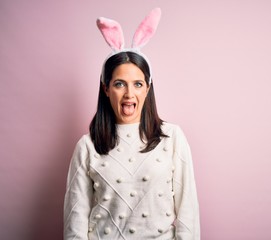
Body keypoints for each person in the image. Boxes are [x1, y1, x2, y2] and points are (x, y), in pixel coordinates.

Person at [63, 8, 200, 240]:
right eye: (119, 84)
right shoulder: (87, 146)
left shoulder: (173, 137)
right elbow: (75, 222)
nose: (129, 93)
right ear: (106, 89)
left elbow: (188, 213)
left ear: (147, 88)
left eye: (137, 84)